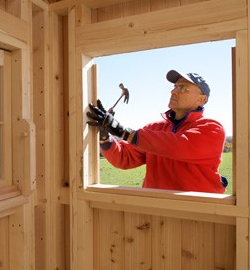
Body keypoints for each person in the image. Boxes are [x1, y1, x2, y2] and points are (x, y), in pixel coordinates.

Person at [87, 70, 228, 193]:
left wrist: (124, 132)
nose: (173, 91)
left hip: (199, 212)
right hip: (155, 209)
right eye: (175, 86)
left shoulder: (212, 128)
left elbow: (177, 145)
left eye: (183, 87)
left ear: (201, 99)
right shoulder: (154, 129)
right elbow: (125, 158)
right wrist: (105, 137)